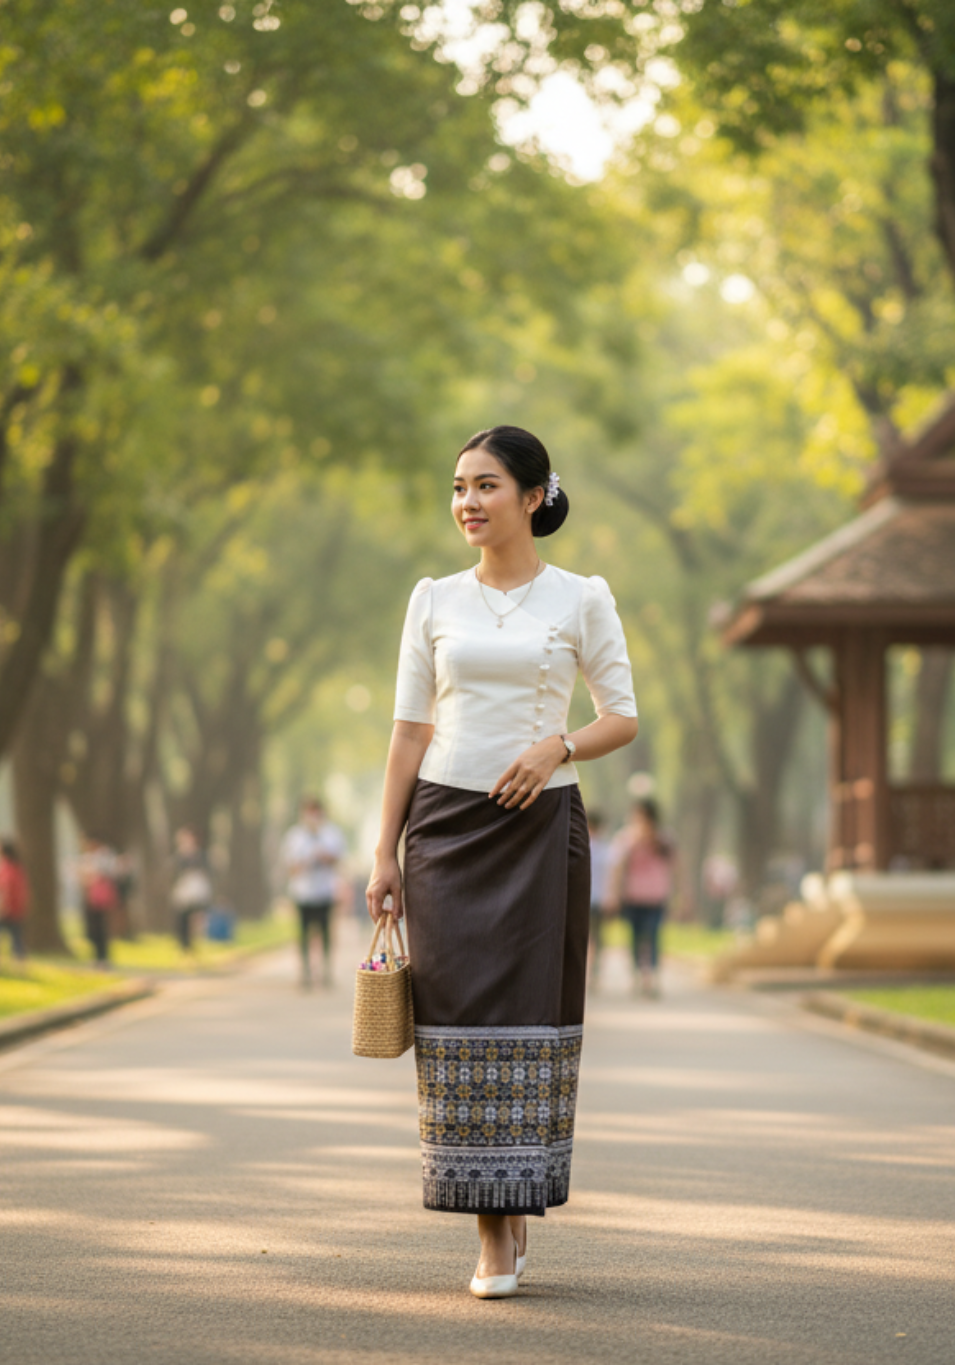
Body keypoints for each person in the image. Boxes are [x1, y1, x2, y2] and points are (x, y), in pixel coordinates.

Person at [365, 425, 639, 1300]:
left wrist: (554, 747)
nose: (467, 503)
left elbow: (621, 716)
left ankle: (511, 1211)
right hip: (444, 826)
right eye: (457, 487)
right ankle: (489, 1222)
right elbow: (409, 729)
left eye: (486, 485)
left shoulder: (581, 597)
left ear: (533, 496)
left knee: (527, 1016)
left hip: (539, 825)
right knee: (454, 1023)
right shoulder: (432, 599)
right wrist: (384, 849)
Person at [609, 799, 675, 1000]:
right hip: (633, 897)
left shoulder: (664, 839)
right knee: (636, 938)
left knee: (653, 936)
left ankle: (651, 978)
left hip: (656, 897)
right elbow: (617, 869)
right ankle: (638, 974)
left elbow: (678, 868)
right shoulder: (626, 838)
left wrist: (685, 896)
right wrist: (613, 895)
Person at [282, 796, 347, 989]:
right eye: (309, 812)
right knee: (303, 934)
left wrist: (325, 855)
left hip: (325, 891)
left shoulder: (332, 833)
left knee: (326, 933)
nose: (313, 816)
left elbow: (339, 859)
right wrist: (306, 860)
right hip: (302, 893)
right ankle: (306, 972)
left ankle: (326, 971)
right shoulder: (294, 836)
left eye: (316, 811)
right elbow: (290, 867)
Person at [0, 837, 29, 969]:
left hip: (7, 907)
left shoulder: (6, 867)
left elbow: (5, 887)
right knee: (15, 936)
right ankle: (19, 962)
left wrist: (3, 904)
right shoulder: (16, 866)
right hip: (16, 907)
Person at [78, 837, 119, 969]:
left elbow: (100, 875)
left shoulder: (103, 857)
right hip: (91, 899)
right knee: (93, 929)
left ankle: (103, 958)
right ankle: (97, 957)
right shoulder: (88, 858)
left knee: (101, 928)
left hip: (99, 899)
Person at [171, 826, 212, 955]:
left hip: (197, 889)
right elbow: (175, 872)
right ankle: (185, 946)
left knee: (197, 918)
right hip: (184, 889)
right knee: (182, 917)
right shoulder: (179, 856)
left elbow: (207, 870)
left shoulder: (201, 855)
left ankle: (196, 943)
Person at [586, 809, 615, 988]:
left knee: (592, 939)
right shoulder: (606, 849)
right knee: (596, 939)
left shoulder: (583, 845)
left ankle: (592, 972)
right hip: (598, 899)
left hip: (593, 899)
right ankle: (593, 972)